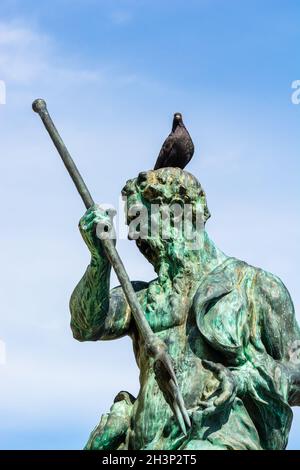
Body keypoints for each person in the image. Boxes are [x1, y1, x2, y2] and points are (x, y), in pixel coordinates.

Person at [70, 168, 300, 450]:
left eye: (138, 220)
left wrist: (244, 378)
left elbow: (297, 371)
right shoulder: (142, 297)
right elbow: (85, 326)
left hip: (217, 440)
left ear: (176, 213)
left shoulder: (254, 286)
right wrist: (99, 260)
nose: (132, 235)